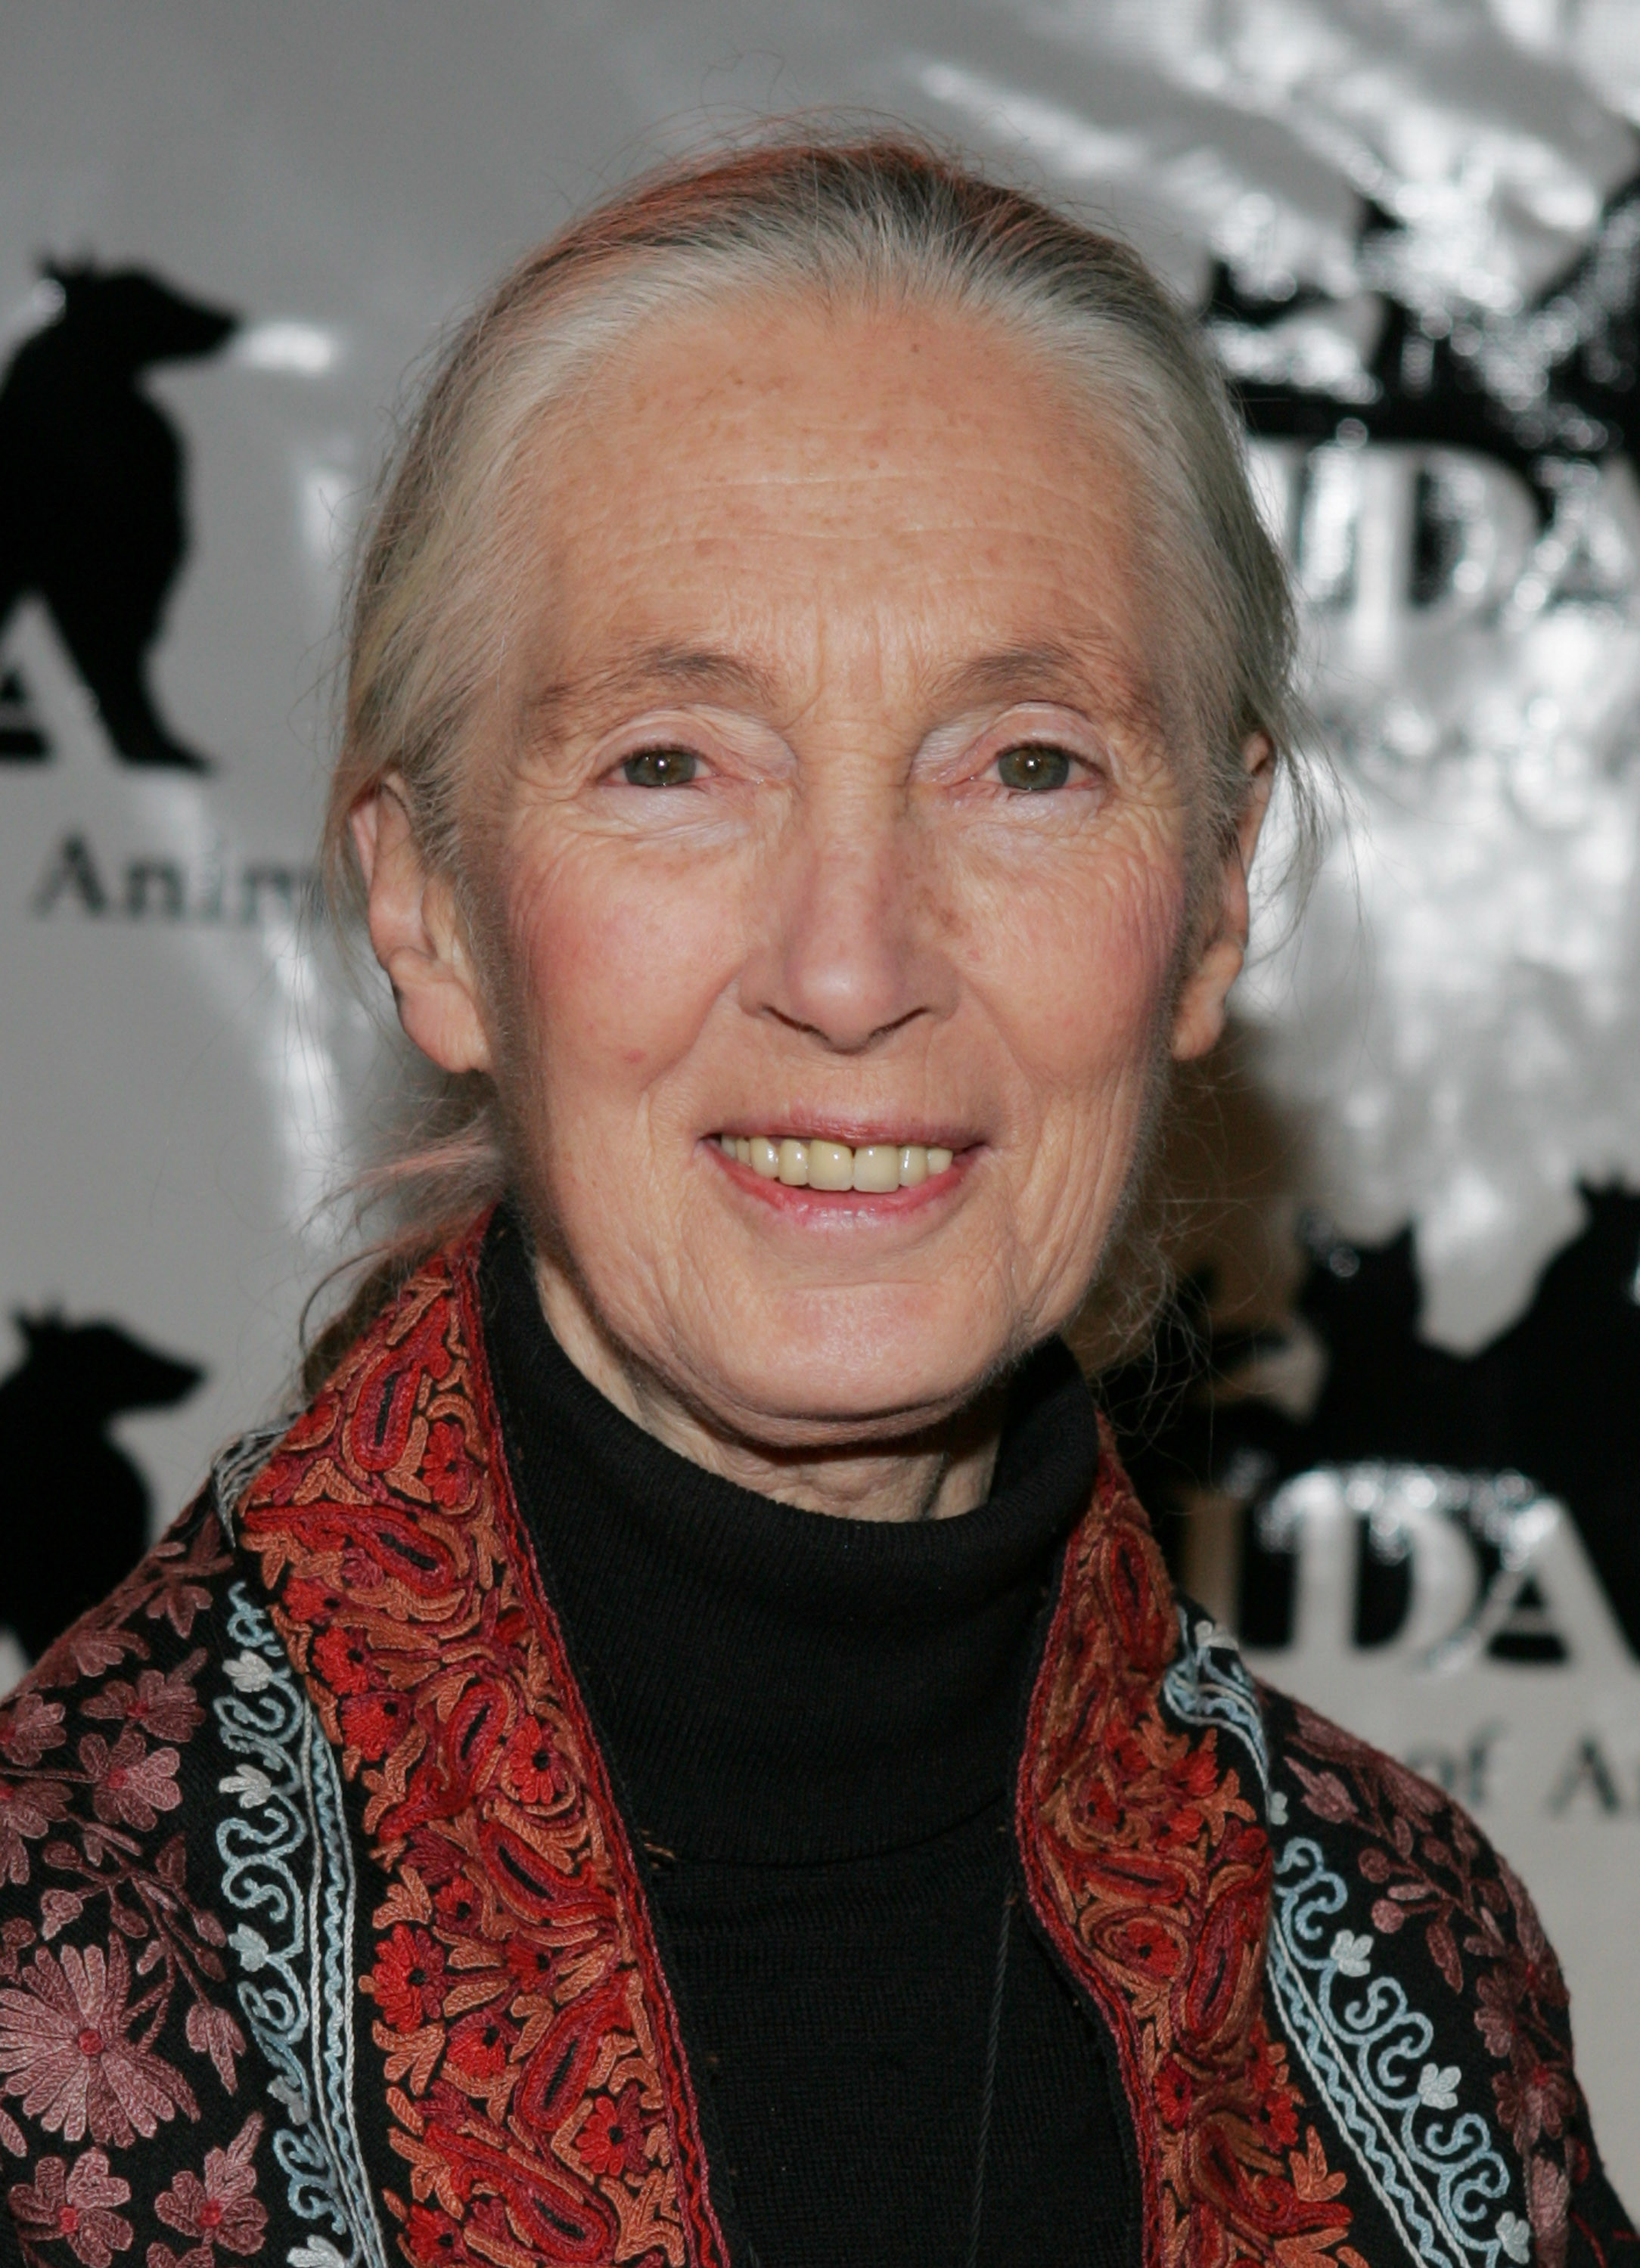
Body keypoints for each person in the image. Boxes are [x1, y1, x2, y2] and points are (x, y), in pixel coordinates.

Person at [0, 136, 1627, 2268]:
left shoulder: (1415, 1957)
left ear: (1215, 897)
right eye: (674, 762)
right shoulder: (65, 1988)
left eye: (1026, 764)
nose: (853, 968)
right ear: (432, 915)